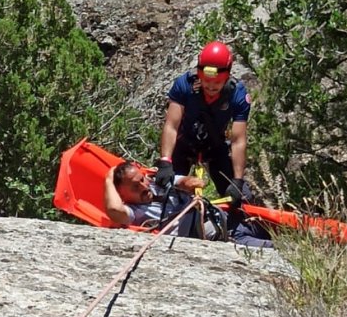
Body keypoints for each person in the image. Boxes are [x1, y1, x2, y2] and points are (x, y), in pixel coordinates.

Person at [154, 41, 250, 208]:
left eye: (217, 83)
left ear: (226, 76)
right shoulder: (184, 85)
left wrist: (238, 180)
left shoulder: (238, 95)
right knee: (164, 188)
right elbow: (171, 125)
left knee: (241, 197)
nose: (211, 86)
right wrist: (165, 161)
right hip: (183, 144)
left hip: (215, 146)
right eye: (206, 81)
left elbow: (238, 140)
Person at [104, 161, 226, 238]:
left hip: (214, 218)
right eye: (135, 186)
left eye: (142, 180)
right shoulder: (133, 212)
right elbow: (114, 210)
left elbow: (182, 181)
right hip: (197, 235)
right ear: (122, 195)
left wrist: (189, 183)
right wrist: (109, 179)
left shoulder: (157, 181)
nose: (144, 186)